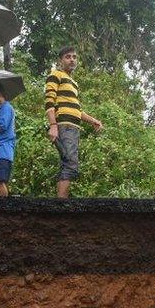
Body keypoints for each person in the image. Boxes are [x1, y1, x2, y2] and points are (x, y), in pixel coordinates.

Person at [45, 46, 103, 198]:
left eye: (74, 57)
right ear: (61, 60)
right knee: (71, 164)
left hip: (74, 127)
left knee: (67, 163)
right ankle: (62, 203)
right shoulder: (55, 75)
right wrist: (53, 126)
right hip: (64, 126)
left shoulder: (73, 83)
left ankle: (60, 202)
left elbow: (77, 110)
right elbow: (49, 102)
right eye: (68, 57)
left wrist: (93, 121)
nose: (72, 59)